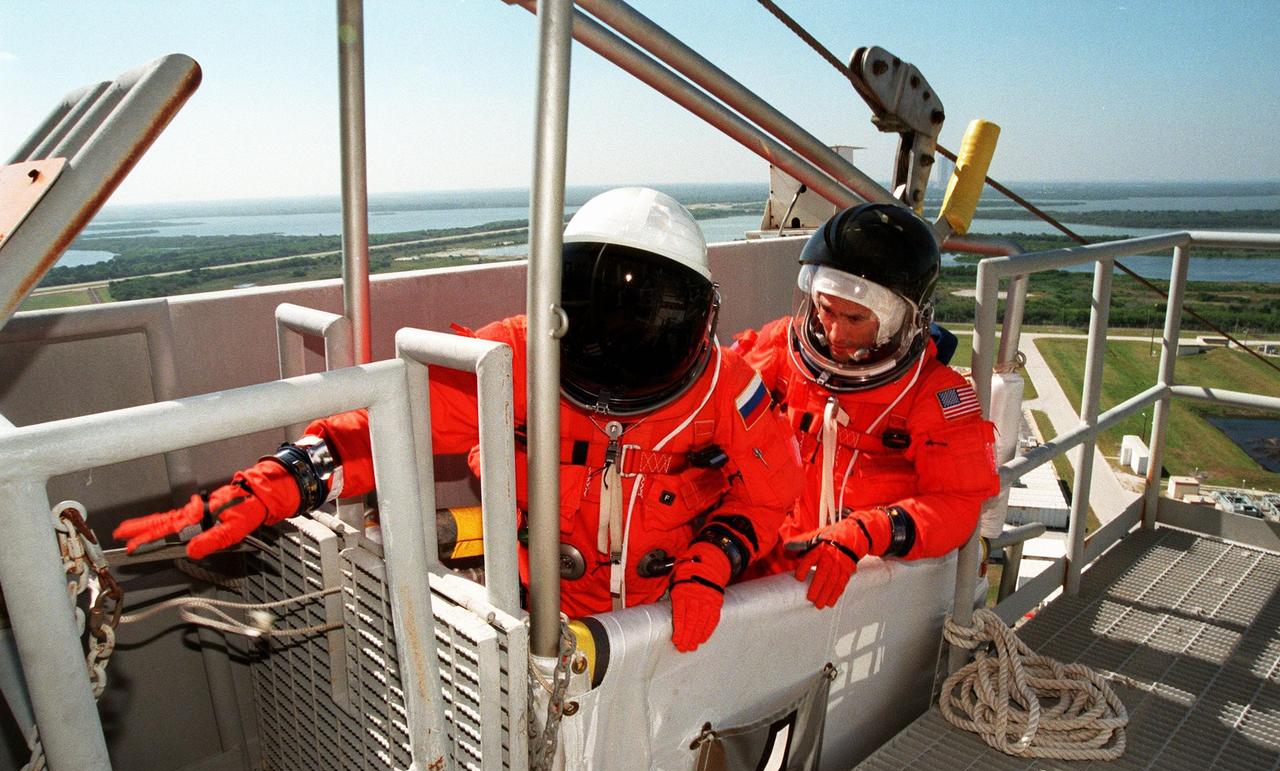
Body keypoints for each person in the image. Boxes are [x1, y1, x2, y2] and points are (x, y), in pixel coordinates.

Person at [114, 187, 803, 652]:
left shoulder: (729, 390)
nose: (616, 344)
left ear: (698, 321)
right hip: (543, 623)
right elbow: (392, 425)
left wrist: (716, 560)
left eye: (642, 324)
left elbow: (773, 495)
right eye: (601, 320)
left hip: (672, 618)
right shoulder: (512, 359)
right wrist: (279, 481)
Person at [731, 203, 999, 609]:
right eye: (826, 310)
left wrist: (866, 532)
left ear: (897, 321)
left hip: (868, 579)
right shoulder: (779, 348)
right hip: (773, 562)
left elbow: (957, 508)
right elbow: (714, 403)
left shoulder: (935, 393)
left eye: (856, 318)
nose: (834, 332)